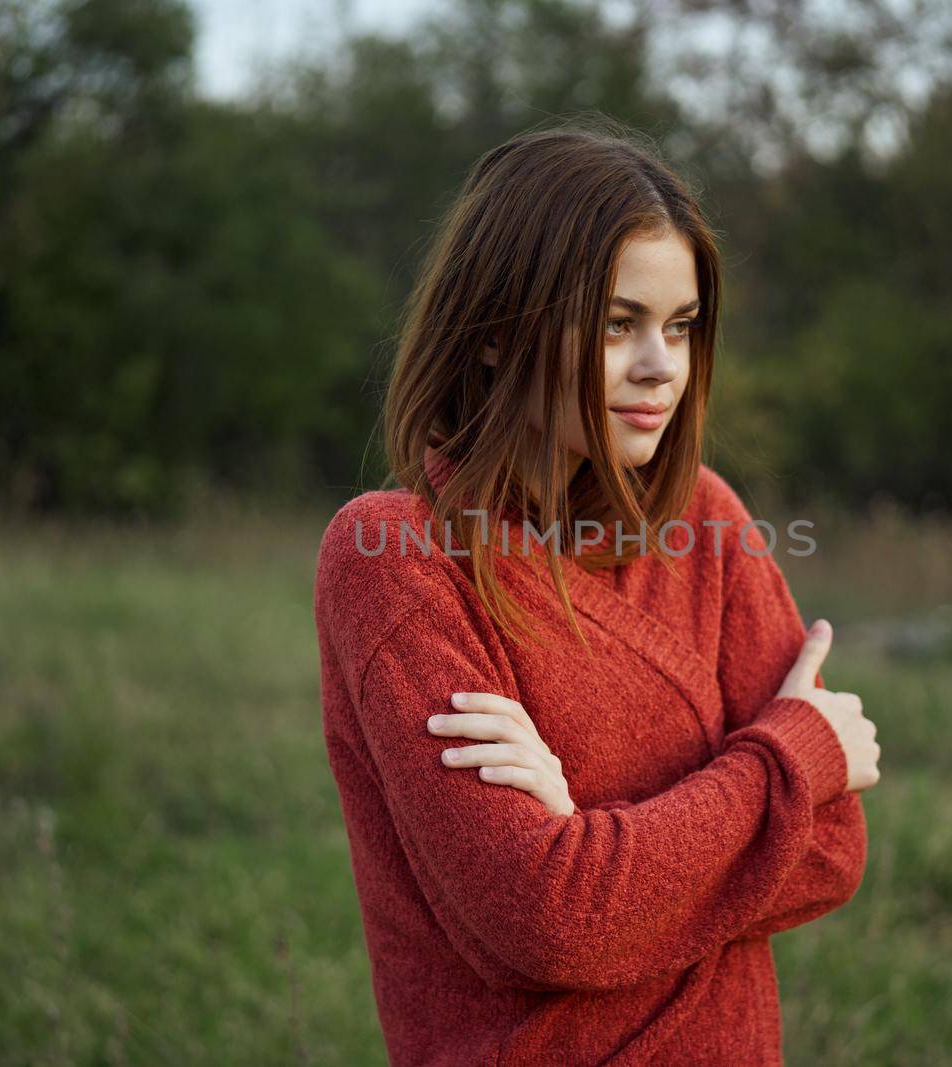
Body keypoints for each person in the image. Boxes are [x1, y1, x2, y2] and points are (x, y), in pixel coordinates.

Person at [313, 117, 880, 1066]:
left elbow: (831, 853)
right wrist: (787, 756)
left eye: (682, 327)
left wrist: (588, 839)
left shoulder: (708, 521)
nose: (661, 365)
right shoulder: (396, 558)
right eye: (618, 324)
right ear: (496, 332)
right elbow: (548, 920)